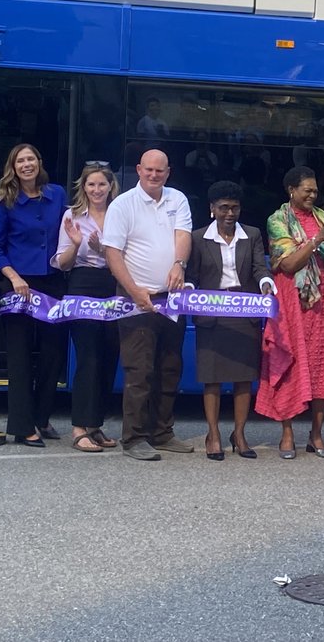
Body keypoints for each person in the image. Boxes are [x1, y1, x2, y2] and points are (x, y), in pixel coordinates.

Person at [101, 149, 194, 461]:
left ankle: (163, 432)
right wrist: (133, 291)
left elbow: (183, 235)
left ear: (168, 173)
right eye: (149, 170)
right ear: (139, 170)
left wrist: (179, 265)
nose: (154, 175)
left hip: (172, 300)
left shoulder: (177, 199)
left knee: (170, 368)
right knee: (139, 371)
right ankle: (135, 437)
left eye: (160, 171)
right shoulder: (121, 205)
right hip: (135, 300)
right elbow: (113, 253)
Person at [255, 166, 324, 459]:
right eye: (306, 190)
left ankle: (316, 435)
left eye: (315, 190)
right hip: (291, 300)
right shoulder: (277, 220)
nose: (312, 195)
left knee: (322, 365)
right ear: (291, 191)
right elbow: (287, 265)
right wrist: (317, 240)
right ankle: (287, 434)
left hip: (321, 300)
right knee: (290, 361)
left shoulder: (323, 219)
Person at [0, 143, 69, 447]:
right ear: (13, 167)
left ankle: (42, 417)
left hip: (52, 282)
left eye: (30, 158)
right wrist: (14, 277)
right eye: (20, 161)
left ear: (39, 162)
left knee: (53, 353)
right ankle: (23, 426)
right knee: (19, 357)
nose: (26, 164)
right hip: (17, 285)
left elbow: (70, 228)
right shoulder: (3, 200)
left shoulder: (57, 194)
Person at [185, 181, 276, 461]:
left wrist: (265, 283)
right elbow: (193, 275)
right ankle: (213, 435)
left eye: (234, 207)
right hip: (212, 314)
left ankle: (239, 434)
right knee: (211, 380)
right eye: (224, 207)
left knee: (243, 380)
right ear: (212, 209)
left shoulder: (252, 234)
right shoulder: (198, 237)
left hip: (243, 311)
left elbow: (260, 267)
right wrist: (188, 291)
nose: (229, 213)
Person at [51, 161, 121, 453]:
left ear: (110, 187)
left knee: (108, 358)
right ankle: (79, 427)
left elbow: (129, 256)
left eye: (101, 184)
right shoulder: (72, 216)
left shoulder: (121, 215)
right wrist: (77, 245)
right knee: (88, 358)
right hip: (82, 284)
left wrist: (103, 250)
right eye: (91, 184)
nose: (96, 190)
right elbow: (62, 263)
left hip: (115, 284)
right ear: (84, 187)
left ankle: (96, 424)